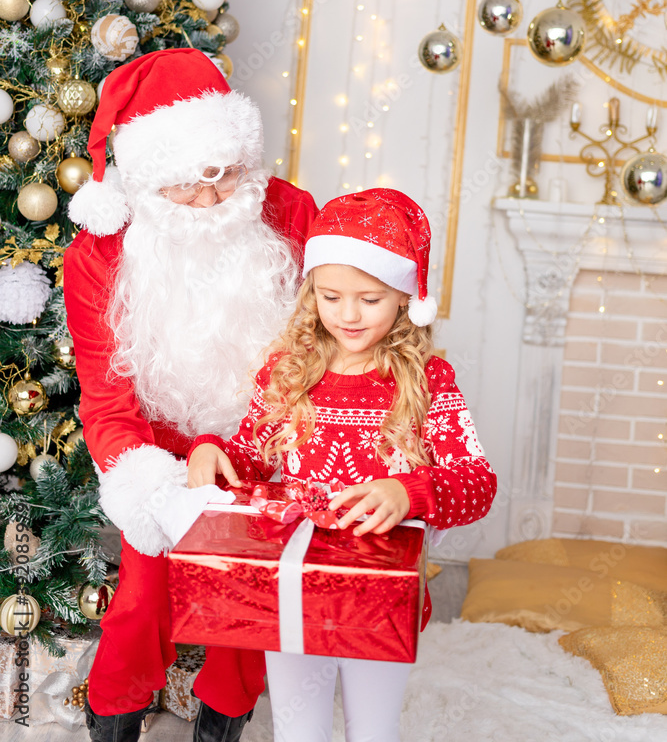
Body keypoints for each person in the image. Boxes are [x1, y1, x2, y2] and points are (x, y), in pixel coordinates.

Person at [63, 48, 318, 742]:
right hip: (157, 447)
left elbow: (327, 333)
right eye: (185, 184)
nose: (208, 200)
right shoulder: (100, 255)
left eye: (223, 174)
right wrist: (157, 483)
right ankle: (114, 713)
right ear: (144, 181)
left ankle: (221, 721)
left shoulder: (288, 212)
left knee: (248, 595)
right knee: (143, 598)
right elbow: (106, 400)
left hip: (263, 437)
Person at [187, 188, 497, 742]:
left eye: (370, 299)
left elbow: (476, 482)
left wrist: (409, 493)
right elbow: (250, 459)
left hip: (379, 592)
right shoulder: (287, 372)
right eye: (330, 297)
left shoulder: (427, 383)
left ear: (406, 296)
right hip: (296, 582)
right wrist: (213, 449)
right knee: (297, 727)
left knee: (372, 729)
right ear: (312, 293)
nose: (348, 315)